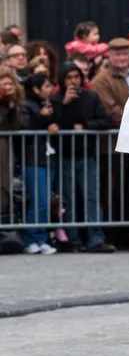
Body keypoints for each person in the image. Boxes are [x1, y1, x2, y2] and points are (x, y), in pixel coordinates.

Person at [53, 63, 115, 253]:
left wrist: (86, 126)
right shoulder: (56, 99)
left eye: (77, 77)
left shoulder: (91, 97)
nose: (74, 81)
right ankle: (72, 239)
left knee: (91, 198)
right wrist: (64, 104)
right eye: (69, 78)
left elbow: (105, 121)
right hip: (65, 156)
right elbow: (53, 124)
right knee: (68, 200)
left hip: (87, 155)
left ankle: (95, 239)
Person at [91, 38, 129, 248]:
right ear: (109, 56)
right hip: (112, 146)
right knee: (112, 193)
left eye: (125, 55)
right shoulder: (102, 79)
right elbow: (111, 111)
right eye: (117, 55)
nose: (122, 59)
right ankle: (112, 236)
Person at [21, 73, 59, 255]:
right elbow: (26, 129)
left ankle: (41, 237)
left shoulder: (46, 104)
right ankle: (31, 238)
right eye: (46, 86)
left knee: (45, 201)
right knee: (39, 201)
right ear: (36, 89)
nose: (50, 89)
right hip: (33, 158)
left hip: (47, 156)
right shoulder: (27, 105)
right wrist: (42, 119)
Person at [0, 67, 24, 223]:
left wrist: (12, 109)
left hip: (6, 153)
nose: (8, 87)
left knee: (4, 189)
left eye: (10, 84)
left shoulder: (12, 105)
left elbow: (18, 126)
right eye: (4, 84)